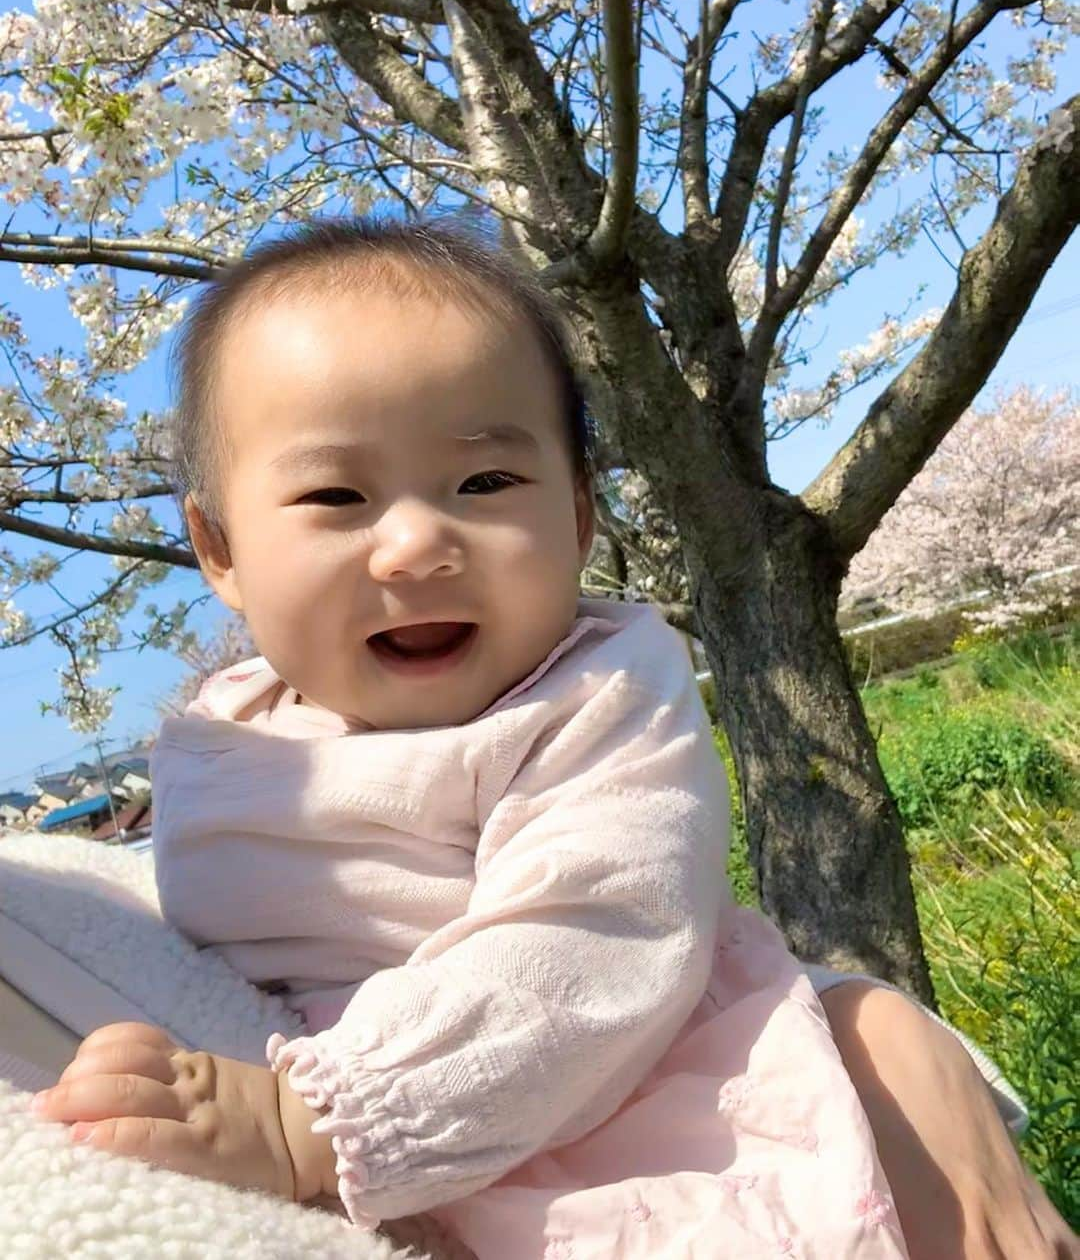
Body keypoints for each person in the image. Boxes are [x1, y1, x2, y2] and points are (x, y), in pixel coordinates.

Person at [31, 220, 1076, 1259]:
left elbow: (597, 934)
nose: (418, 543)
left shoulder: (596, 691)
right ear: (219, 548)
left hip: (643, 1106)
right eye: (336, 496)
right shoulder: (219, 742)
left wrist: (306, 1123)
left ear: (578, 515)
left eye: (485, 484)